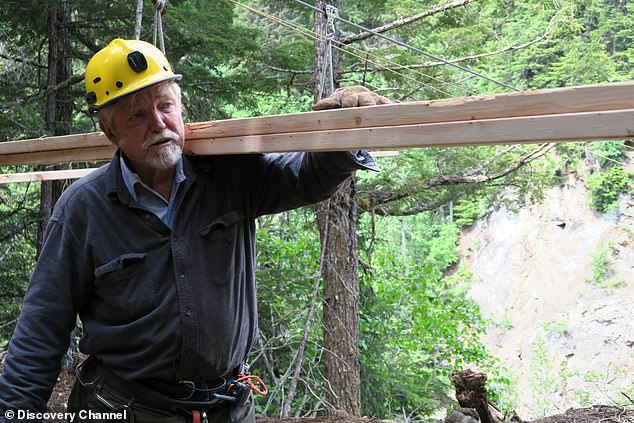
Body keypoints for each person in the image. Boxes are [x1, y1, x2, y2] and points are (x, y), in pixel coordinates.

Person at [0, 39, 390, 423]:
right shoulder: (84, 208)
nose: (158, 124)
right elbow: (42, 329)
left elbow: (305, 178)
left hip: (227, 407)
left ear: (180, 106)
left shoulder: (230, 175)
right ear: (109, 131)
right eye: (137, 115)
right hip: (125, 408)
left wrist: (343, 134)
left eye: (165, 105)